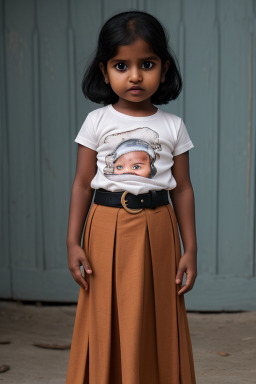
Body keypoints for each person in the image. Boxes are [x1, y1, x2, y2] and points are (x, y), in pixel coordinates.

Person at [66, 10, 197, 384]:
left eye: (147, 64)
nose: (135, 75)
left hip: (159, 230)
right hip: (104, 227)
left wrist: (191, 248)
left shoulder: (173, 126)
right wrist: (72, 241)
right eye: (122, 64)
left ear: (165, 69)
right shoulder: (97, 121)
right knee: (106, 312)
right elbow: (80, 182)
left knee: (154, 313)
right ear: (105, 71)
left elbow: (183, 188)